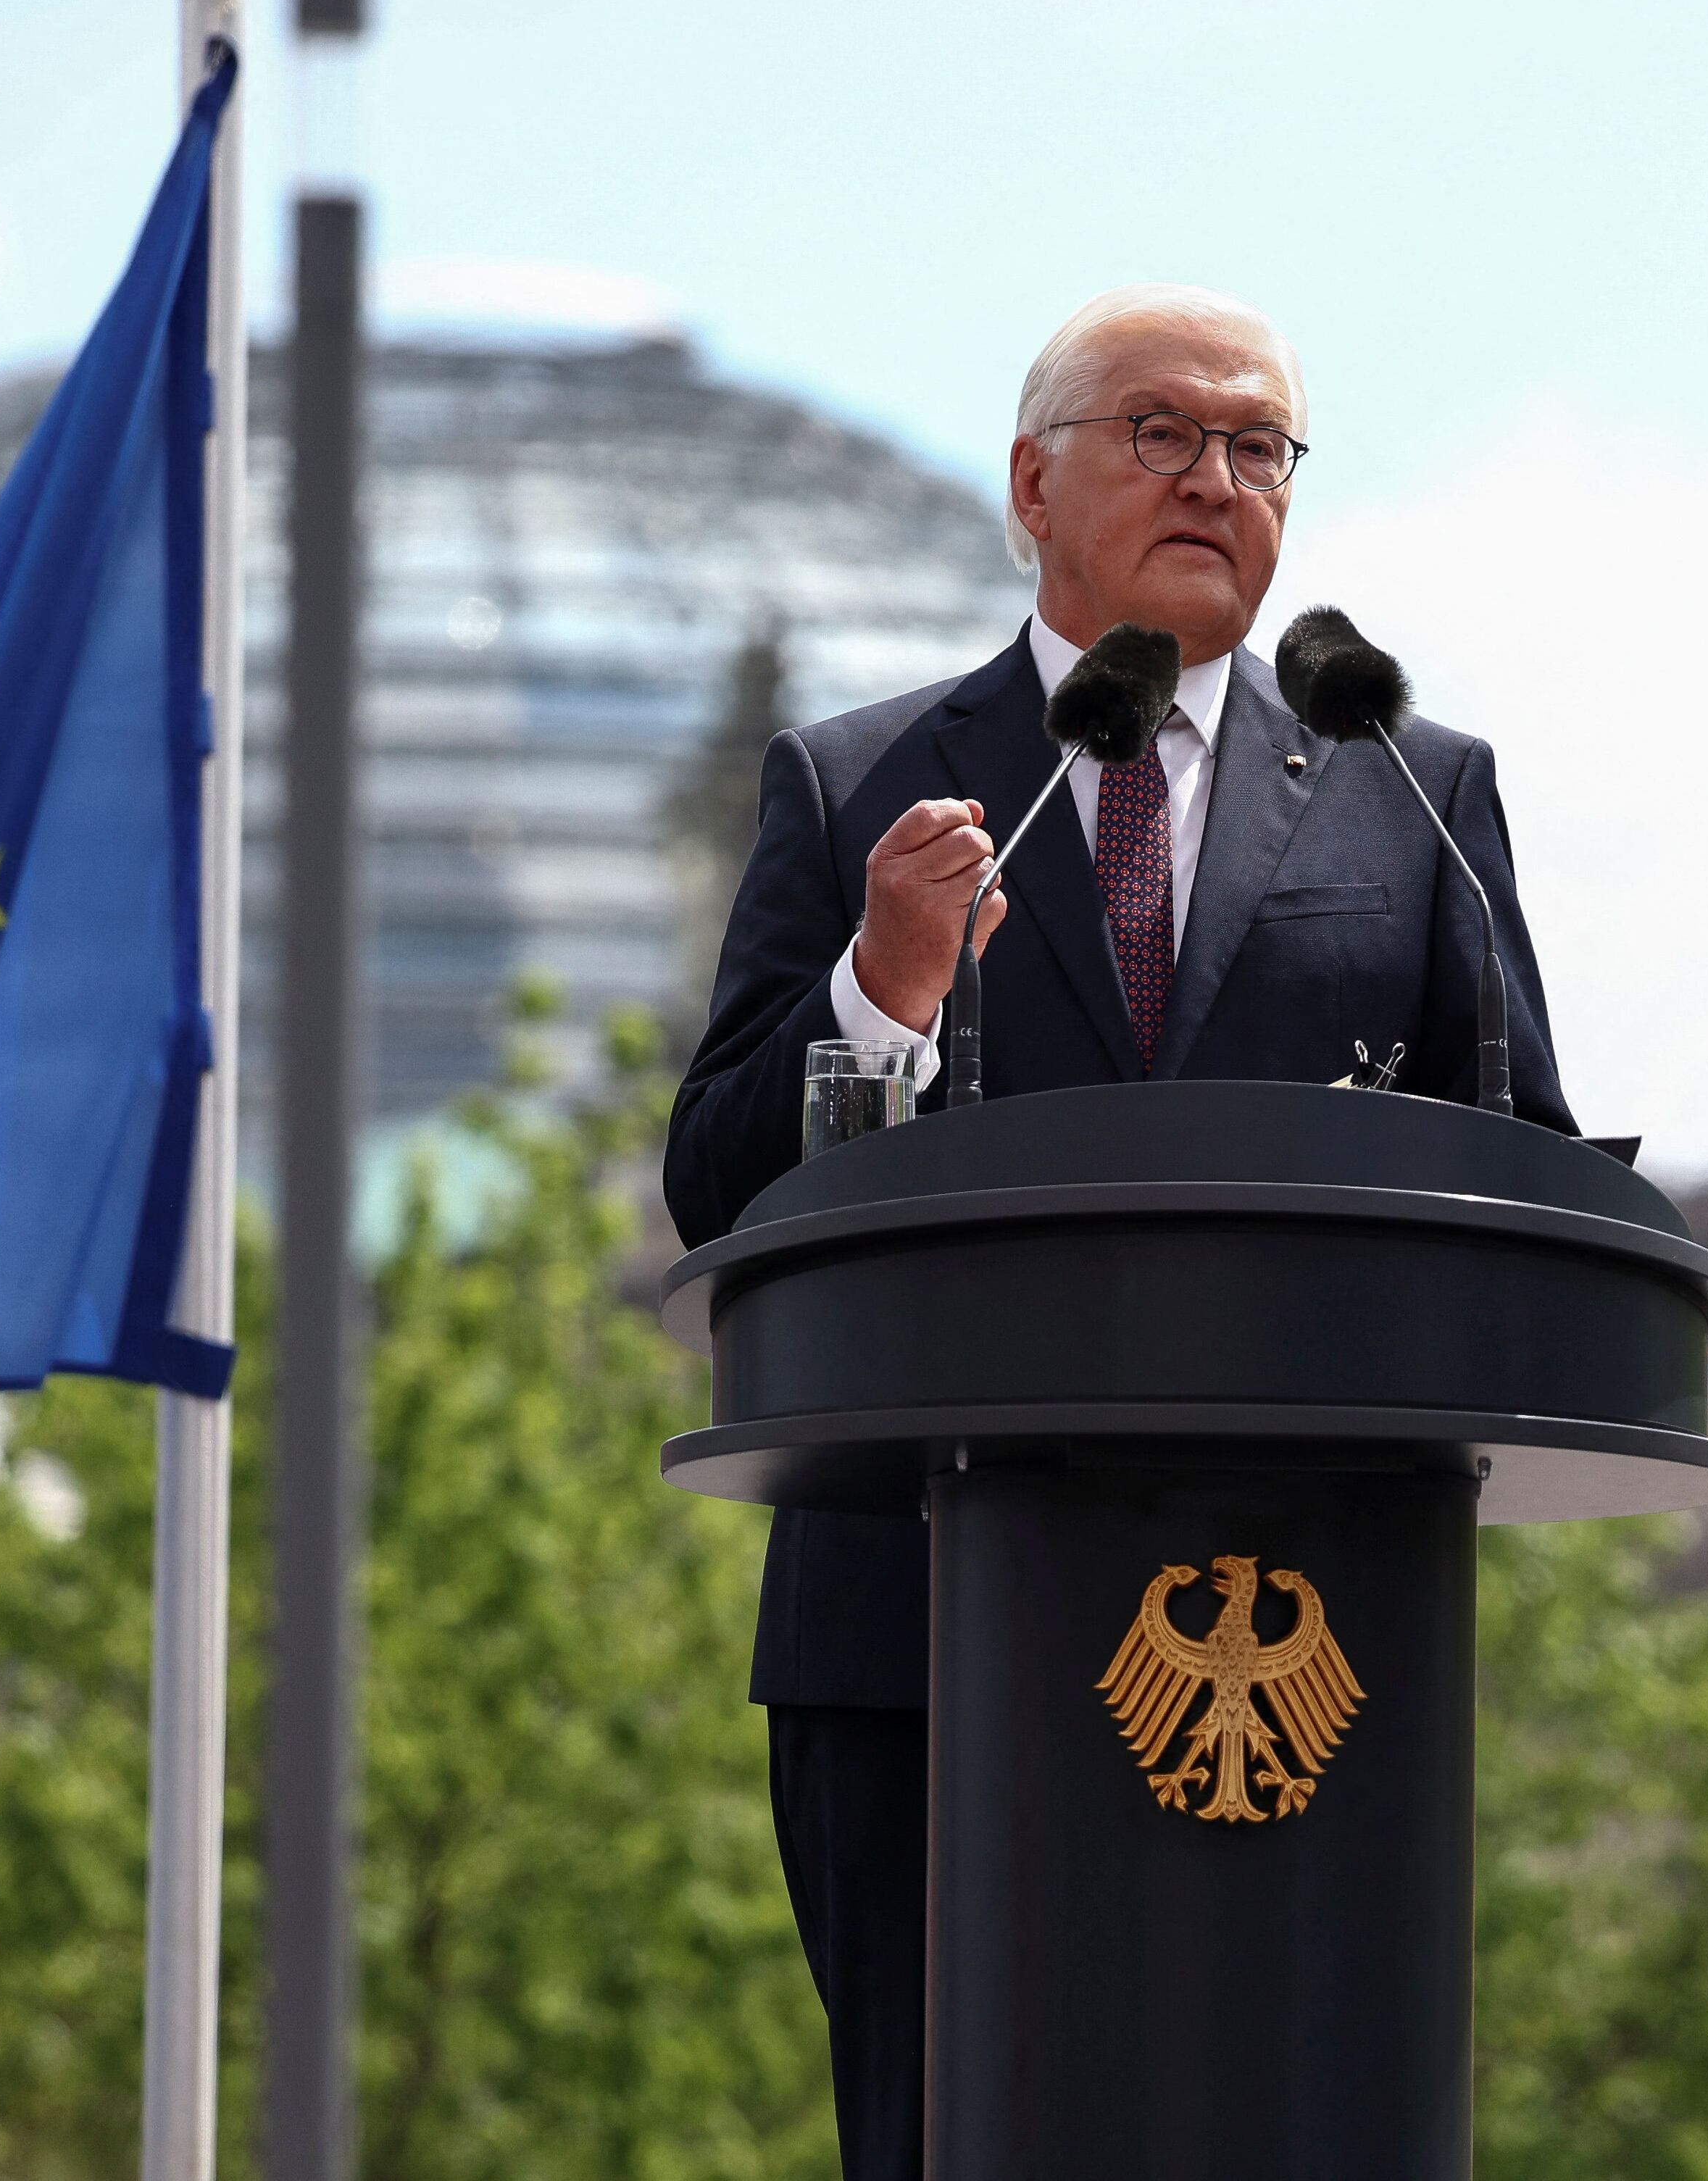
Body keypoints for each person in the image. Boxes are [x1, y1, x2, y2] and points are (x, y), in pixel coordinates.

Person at [662, 282, 1574, 2179]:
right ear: (1031, 484)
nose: (1215, 478)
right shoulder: (861, 787)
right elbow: (717, 1186)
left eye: (1258, 447)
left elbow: (1529, 1164)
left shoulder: (1416, 792)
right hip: (919, 1643)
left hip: (1316, 1632)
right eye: (1160, 432)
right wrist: (880, 994)